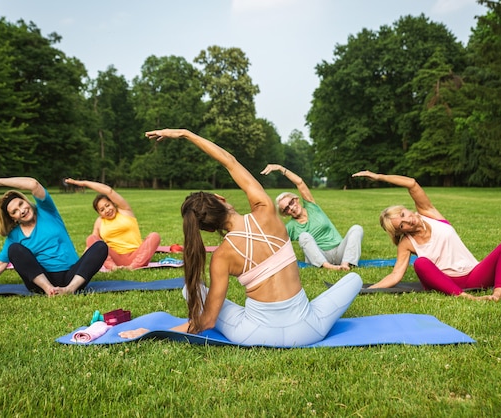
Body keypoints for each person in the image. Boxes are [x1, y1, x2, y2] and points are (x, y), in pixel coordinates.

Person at [119, 129, 362, 346]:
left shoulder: (222, 257)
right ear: (221, 199)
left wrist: (154, 331)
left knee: (192, 292)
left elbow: (208, 320)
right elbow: (230, 162)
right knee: (353, 279)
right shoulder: (266, 210)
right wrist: (187, 134)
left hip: (257, 335)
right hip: (309, 330)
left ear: (209, 230)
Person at [352, 170, 501, 301]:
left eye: (403, 214)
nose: (408, 220)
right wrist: (369, 289)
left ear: (406, 209)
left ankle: (497, 295)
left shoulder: (428, 213)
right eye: (401, 225)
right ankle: (465, 297)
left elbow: (412, 184)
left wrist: (379, 177)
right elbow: (396, 275)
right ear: (401, 231)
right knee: (421, 263)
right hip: (445, 282)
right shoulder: (407, 243)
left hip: (474, 274)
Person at [0, 177, 108, 296]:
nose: (21, 211)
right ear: (13, 218)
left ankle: (70, 290)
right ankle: (49, 290)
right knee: (14, 250)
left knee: (100, 246)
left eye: (20, 204)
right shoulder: (15, 235)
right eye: (14, 212)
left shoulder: (48, 212)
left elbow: (33, 184)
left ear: (26, 201)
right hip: (41, 282)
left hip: (72, 275)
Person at [260, 164, 363, 271]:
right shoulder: (291, 227)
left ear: (296, 199)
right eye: (286, 208)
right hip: (321, 257)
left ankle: (345, 264)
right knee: (304, 236)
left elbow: (299, 182)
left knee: (356, 228)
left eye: (291, 202)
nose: (292, 207)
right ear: (285, 214)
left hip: (339, 251)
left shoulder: (311, 206)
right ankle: (329, 267)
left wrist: (281, 168)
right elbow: (275, 243)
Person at [63, 178, 161, 271]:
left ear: (113, 203)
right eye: (102, 210)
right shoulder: (99, 221)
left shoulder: (125, 210)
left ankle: (133, 266)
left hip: (136, 255)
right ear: (99, 213)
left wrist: (83, 183)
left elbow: (108, 191)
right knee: (91, 238)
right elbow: (92, 245)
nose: (107, 210)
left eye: (107, 205)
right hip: (114, 259)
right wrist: (80, 263)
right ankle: (113, 268)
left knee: (154, 236)